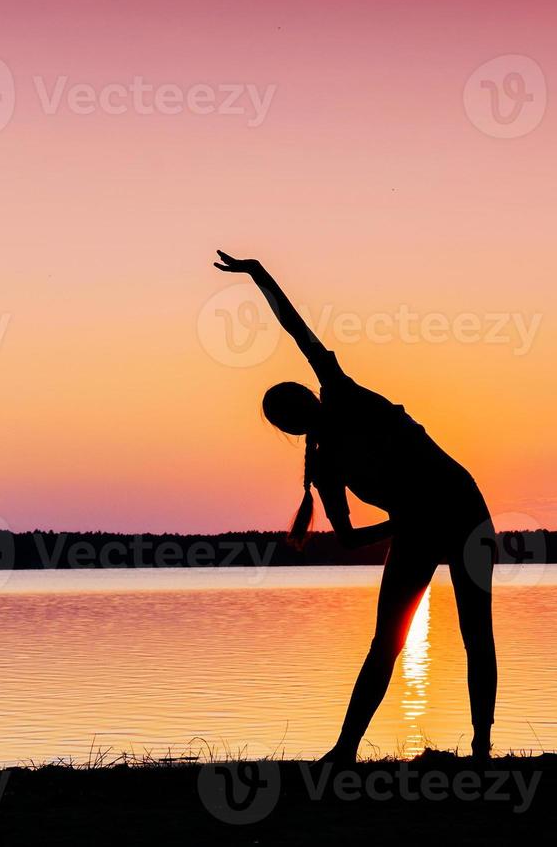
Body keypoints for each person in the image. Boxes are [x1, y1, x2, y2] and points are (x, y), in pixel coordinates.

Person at [213, 251, 497, 761]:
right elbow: (347, 538)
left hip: (462, 508)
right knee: (386, 643)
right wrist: (396, 523)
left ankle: (481, 747)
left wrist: (258, 275)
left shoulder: (342, 393)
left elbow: (298, 330)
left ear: (309, 399)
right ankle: (345, 748)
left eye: (296, 403)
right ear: (288, 426)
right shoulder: (322, 467)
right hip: (417, 527)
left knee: (477, 631)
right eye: (289, 414)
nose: (299, 412)